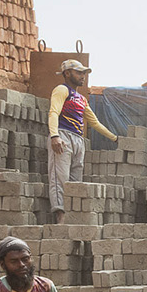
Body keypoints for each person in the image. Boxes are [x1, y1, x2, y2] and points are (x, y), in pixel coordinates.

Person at [47, 59, 119, 224]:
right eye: (79, 72)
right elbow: (53, 112)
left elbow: (94, 123)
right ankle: (60, 216)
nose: (83, 76)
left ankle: (73, 215)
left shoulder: (81, 98)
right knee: (60, 178)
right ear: (67, 73)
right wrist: (54, 136)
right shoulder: (61, 90)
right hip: (63, 136)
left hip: (78, 139)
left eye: (84, 73)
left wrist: (114, 138)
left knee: (75, 180)